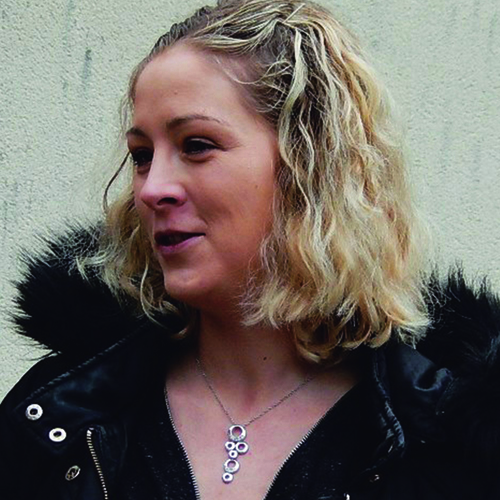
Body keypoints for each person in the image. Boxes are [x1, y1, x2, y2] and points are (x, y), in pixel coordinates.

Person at [1, 0, 499, 498]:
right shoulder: (57, 420)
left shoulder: (451, 447)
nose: (152, 189)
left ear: (310, 165)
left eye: (196, 145)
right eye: (142, 155)